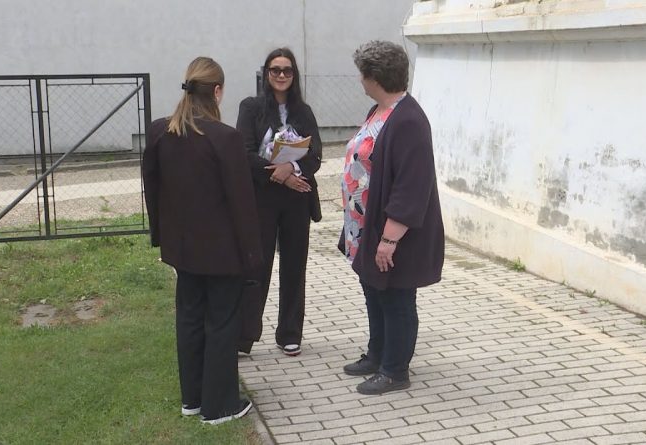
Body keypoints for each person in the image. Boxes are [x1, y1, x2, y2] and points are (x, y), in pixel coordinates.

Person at [142, 56, 263, 424]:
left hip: (182, 248)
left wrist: (161, 236)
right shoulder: (225, 138)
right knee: (222, 323)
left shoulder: (160, 131)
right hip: (222, 251)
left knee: (190, 319)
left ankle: (192, 399)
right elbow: (241, 202)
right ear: (217, 91)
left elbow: (152, 188)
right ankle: (219, 406)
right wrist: (252, 254)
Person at [339, 41, 445, 395]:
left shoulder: (409, 120)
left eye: (362, 74)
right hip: (366, 225)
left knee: (397, 297)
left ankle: (395, 370)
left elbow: (412, 186)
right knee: (374, 290)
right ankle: (377, 354)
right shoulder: (380, 111)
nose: (360, 80)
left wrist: (389, 239)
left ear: (374, 77)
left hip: (393, 232)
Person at [236, 48, 323, 356]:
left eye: (287, 70)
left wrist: (293, 168)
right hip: (262, 198)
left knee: (294, 266)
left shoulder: (304, 111)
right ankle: (244, 336)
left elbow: (315, 154)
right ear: (267, 73)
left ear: (294, 75)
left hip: (297, 197)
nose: (282, 75)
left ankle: (289, 333)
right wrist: (280, 174)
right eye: (276, 70)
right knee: (256, 267)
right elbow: (243, 153)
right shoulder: (251, 108)